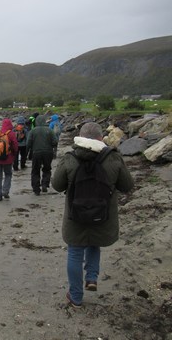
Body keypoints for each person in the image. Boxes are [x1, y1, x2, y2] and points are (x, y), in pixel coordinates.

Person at [51, 122, 134, 308]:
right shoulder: (113, 158)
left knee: (74, 252)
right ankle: (91, 278)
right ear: (100, 138)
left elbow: (57, 186)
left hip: (75, 215)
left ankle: (76, 296)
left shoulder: (70, 158)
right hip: (103, 215)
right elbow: (127, 186)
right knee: (94, 243)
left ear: (80, 137)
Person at [26, 114, 57, 195]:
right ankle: (45, 184)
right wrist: (52, 147)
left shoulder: (33, 131)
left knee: (35, 170)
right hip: (48, 152)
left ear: (36, 121)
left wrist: (27, 152)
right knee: (47, 169)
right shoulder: (49, 130)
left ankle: (36, 189)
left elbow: (28, 143)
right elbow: (55, 142)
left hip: (36, 152)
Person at [0, 118, 19, 201]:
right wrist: (13, 155)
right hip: (8, 159)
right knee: (8, 174)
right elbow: (15, 146)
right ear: (10, 125)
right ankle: (5, 191)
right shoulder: (11, 134)